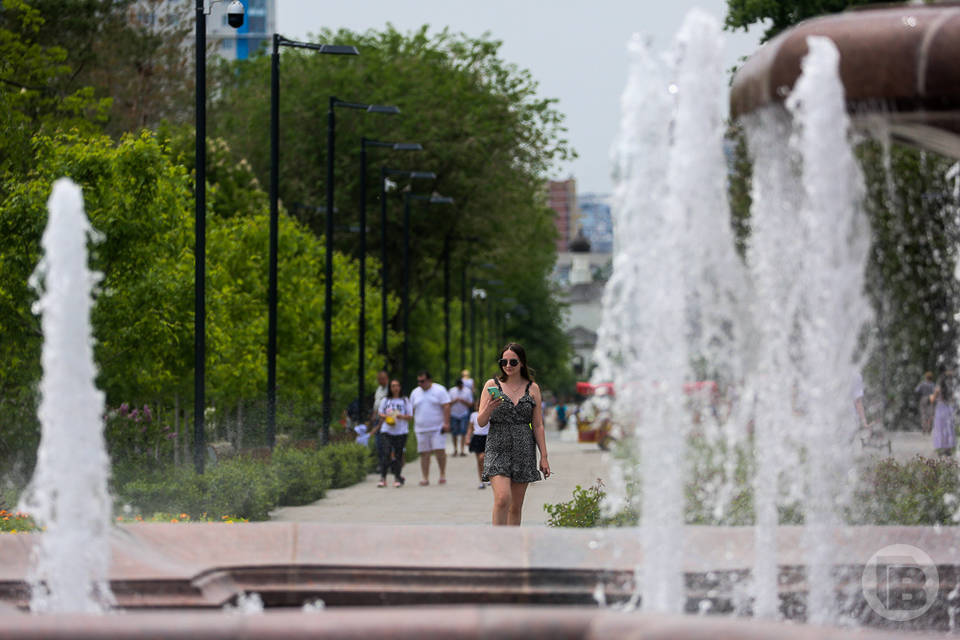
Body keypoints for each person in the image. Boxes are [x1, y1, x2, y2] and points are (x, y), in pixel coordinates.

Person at [477, 343, 550, 525]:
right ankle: (498, 544)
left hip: (523, 449)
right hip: (497, 446)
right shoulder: (491, 385)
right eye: (504, 361)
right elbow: (481, 421)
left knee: (515, 507)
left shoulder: (533, 388)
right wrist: (488, 408)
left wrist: (544, 457)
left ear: (522, 363)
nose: (508, 365)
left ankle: (511, 546)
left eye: (513, 362)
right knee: (503, 499)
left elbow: (538, 424)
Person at [410, 370, 451, 485]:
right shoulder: (415, 393)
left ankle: (442, 474)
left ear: (429, 380)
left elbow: (446, 406)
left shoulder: (439, 390)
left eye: (422, 381)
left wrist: (446, 423)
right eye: (418, 381)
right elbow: (411, 409)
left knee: (439, 451)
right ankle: (425, 477)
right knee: (424, 453)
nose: (420, 383)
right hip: (421, 428)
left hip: (437, 427)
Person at [377, 379, 412, 488]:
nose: (395, 388)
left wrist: (400, 416)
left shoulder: (405, 400)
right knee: (386, 453)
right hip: (387, 430)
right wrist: (387, 416)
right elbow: (380, 413)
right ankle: (383, 478)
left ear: (400, 387)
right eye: (392, 386)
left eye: (397, 385)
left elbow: (410, 416)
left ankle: (397, 477)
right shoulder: (386, 400)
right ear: (390, 388)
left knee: (398, 455)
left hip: (401, 431)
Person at [931, 370, 956, 456]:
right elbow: (953, 399)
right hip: (949, 409)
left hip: (940, 408)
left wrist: (932, 397)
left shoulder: (939, 388)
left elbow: (933, 399)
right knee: (948, 428)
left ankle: (941, 448)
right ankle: (948, 448)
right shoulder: (951, 387)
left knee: (940, 428)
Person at [465, 400, 488, 489]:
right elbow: (470, 428)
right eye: (476, 406)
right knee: (479, 461)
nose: (478, 407)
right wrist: (467, 437)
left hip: (487, 437)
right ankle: (481, 481)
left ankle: (488, 477)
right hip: (477, 437)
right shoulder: (473, 415)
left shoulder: (489, 413)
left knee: (484, 458)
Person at [447, 378, 474, 456]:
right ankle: (455, 450)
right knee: (454, 433)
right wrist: (455, 401)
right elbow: (448, 403)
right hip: (454, 414)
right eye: (458, 386)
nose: (459, 387)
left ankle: (462, 450)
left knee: (463, 432)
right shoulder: (452, 391)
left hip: (464, 414)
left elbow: (471, 404)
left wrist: (463, 401)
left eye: (460, 385)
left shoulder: (467, 391)